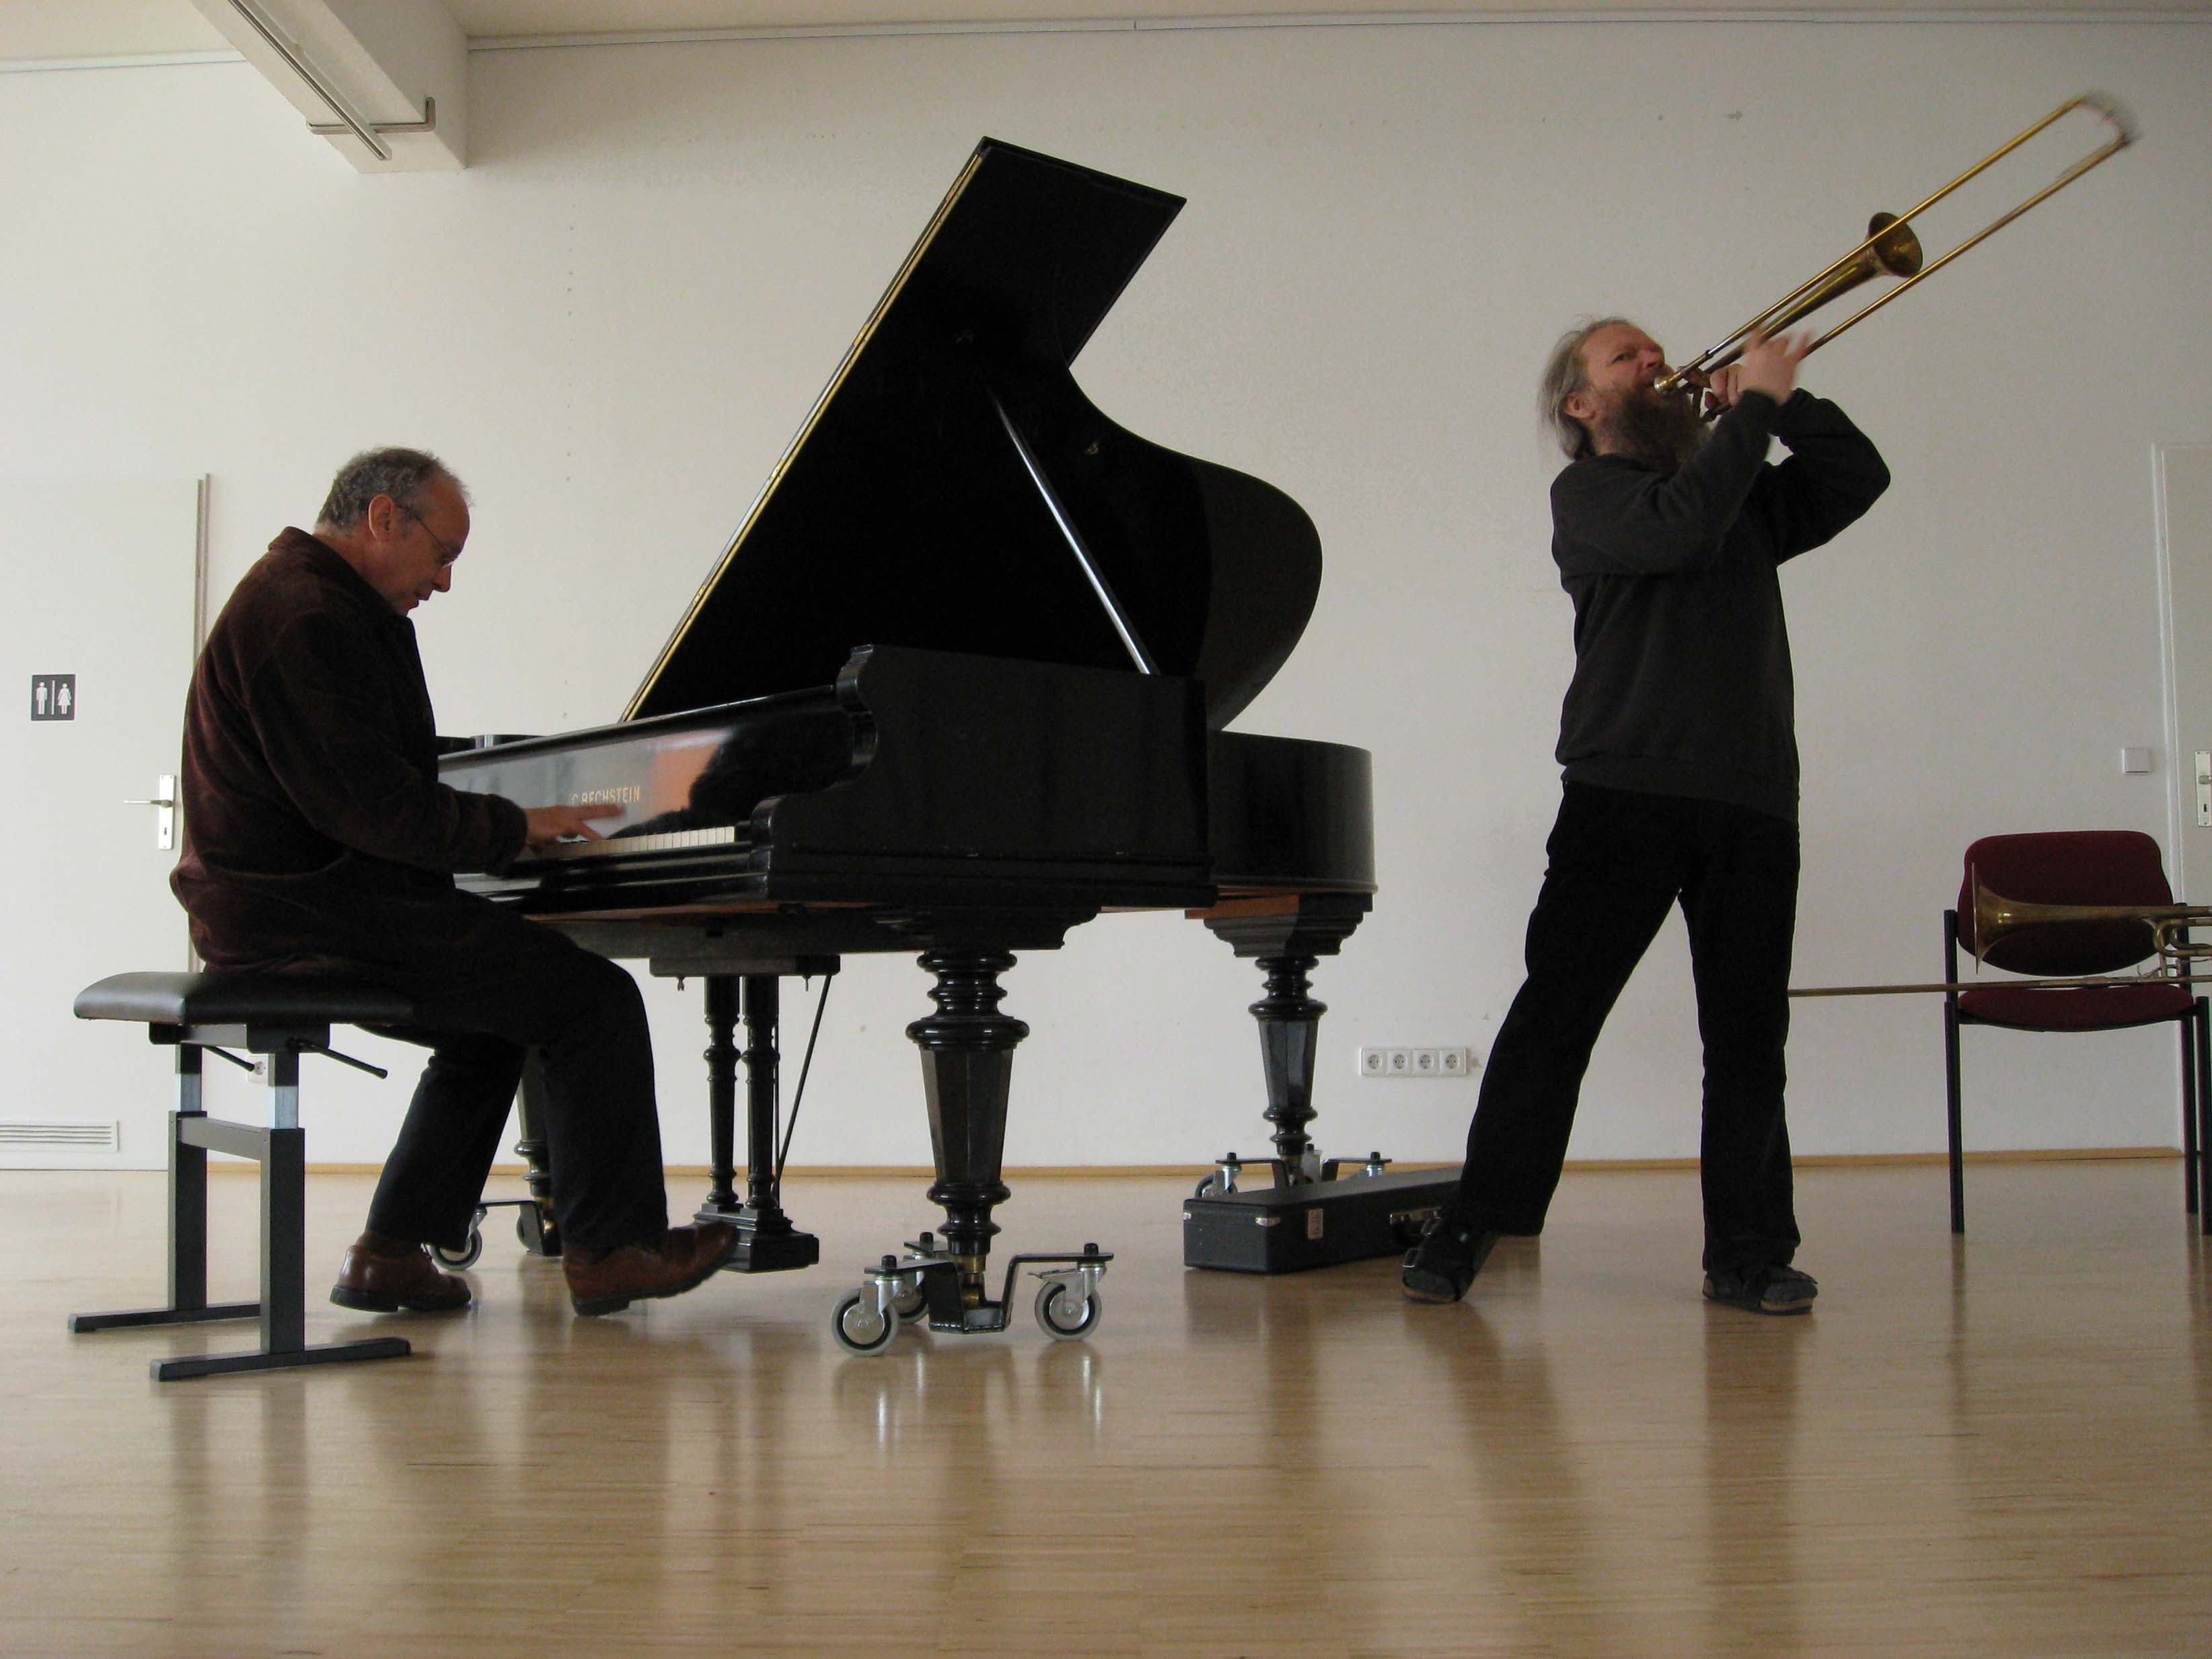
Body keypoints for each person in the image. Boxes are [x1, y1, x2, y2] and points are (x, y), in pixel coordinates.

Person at [172, 447, 737, 1318]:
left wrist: (508, 815)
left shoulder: (320, 602)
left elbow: (380, 779)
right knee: (592, 999)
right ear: (383, 518)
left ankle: (389, 1251)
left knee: (491, 1027)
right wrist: (516, 826)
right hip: (304, 915)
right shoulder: (304, 616)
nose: (443, 582)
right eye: (443, 555)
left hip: (297, 903)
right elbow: (376, 807)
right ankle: (612, 1250)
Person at [1402, 321, 1889, 1315]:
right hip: (1623, 792)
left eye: (1655, 352)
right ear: (1580, 405)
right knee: (1557, 1018)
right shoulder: (1587, 495)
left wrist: (1781, 401)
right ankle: (1470, 1224)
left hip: (1751, 796)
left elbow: (1858, 476)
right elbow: (1677, 529)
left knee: (1749, 1035)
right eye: (1627, 358)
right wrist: (1749, 411)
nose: (1655, 364)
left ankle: (1749, 1254)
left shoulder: (1735, 487)